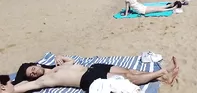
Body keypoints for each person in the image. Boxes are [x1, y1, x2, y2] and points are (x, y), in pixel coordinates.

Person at [10, 55, 179, 93]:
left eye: (32, 68)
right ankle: (164, 72)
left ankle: (159, 75)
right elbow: (17, 88)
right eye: (31, 74)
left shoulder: (56, 65)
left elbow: (72, 62)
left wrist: (62, 57)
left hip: (94, 67)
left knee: (130, 71)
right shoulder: (44, 80)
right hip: (88, 79)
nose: (33, 73)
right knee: (130, 78)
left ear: (36, 64)